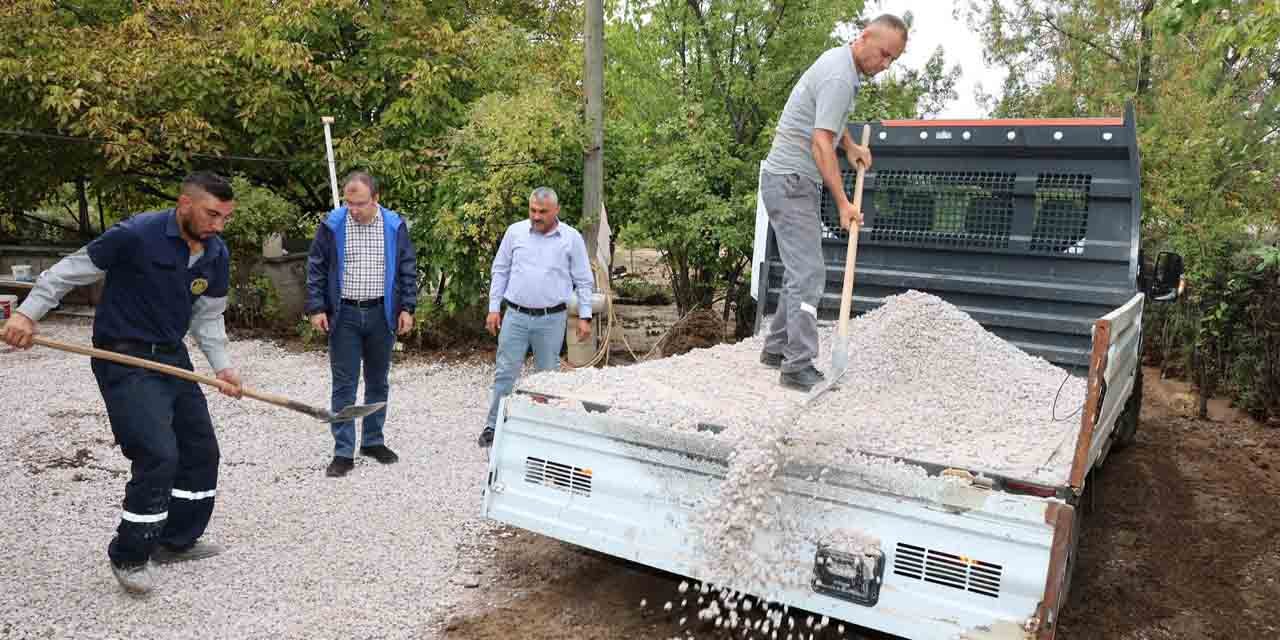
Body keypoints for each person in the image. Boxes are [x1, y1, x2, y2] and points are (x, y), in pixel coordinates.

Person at [2, 172, 244, 595]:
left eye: (225, 218)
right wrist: (27, 314)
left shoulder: (215, 253)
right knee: (157, 453)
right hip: (124, 356)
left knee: (201, 450)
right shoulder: (136, 235)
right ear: (184, 203)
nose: (218, 226)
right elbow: (67, 272)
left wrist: (222, 367)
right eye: (212, 214)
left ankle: (176, 539)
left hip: (172, 357)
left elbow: (207, 316)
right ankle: (130, 556)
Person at [759, 14, 907, 391]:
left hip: (788, 180)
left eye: (892, 59)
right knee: (809, 274)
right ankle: (797, 366)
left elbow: (826, 125)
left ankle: (777, 348)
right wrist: (843, 203)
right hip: (792, 181)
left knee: (798, 270)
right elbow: (818, 142)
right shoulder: (841, 77)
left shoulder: (841, 66)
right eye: (884, 54)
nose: (885, 64)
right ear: (864, 38)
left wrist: (851, 146)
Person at [306, 171, 417, 478]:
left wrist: (407, 307)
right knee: (344, 384)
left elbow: (408, 268)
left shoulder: (395, 226)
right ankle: (343, 451)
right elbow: (316, 267)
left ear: (376, 199)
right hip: (345, 316)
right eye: (349, 203)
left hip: (382, 314)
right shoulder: (333, 224)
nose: (353, 210)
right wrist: (317, 307)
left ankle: (372, 441)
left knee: (378, 380)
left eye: (360, 204)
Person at [478, 187, 593, 448]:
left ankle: (545, 429)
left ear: (556, 211)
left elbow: (584, 280)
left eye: (542, 211)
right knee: (505, 372)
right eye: (532, 210)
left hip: (552, 319)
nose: (536, 216)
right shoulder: (515, 232)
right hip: (515, 315)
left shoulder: (570, 238)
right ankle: (494, 426)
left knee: (547, 376)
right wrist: (494, 307)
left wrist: (585, 316)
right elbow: (500, 269)